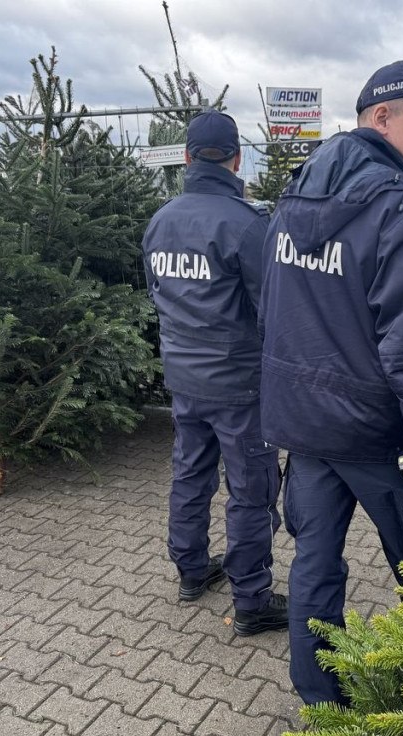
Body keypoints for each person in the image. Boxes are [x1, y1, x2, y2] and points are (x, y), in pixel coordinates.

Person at [258, 61, 403, 702]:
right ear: (383, 117)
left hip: (308, 427)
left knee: (315, 565)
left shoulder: (295, 195)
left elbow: (272, 312)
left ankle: (323, 702)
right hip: (382, 437)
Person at [142, 109, 288, 637]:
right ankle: (251, 600)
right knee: (251, 490)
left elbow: (160, 296)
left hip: (183, 379)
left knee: (190, 474)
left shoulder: (160, 221)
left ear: (186, 156)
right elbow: (273, 310)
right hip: (239, 385)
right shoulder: (247, 224)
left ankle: (189, 570)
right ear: (237, 158)